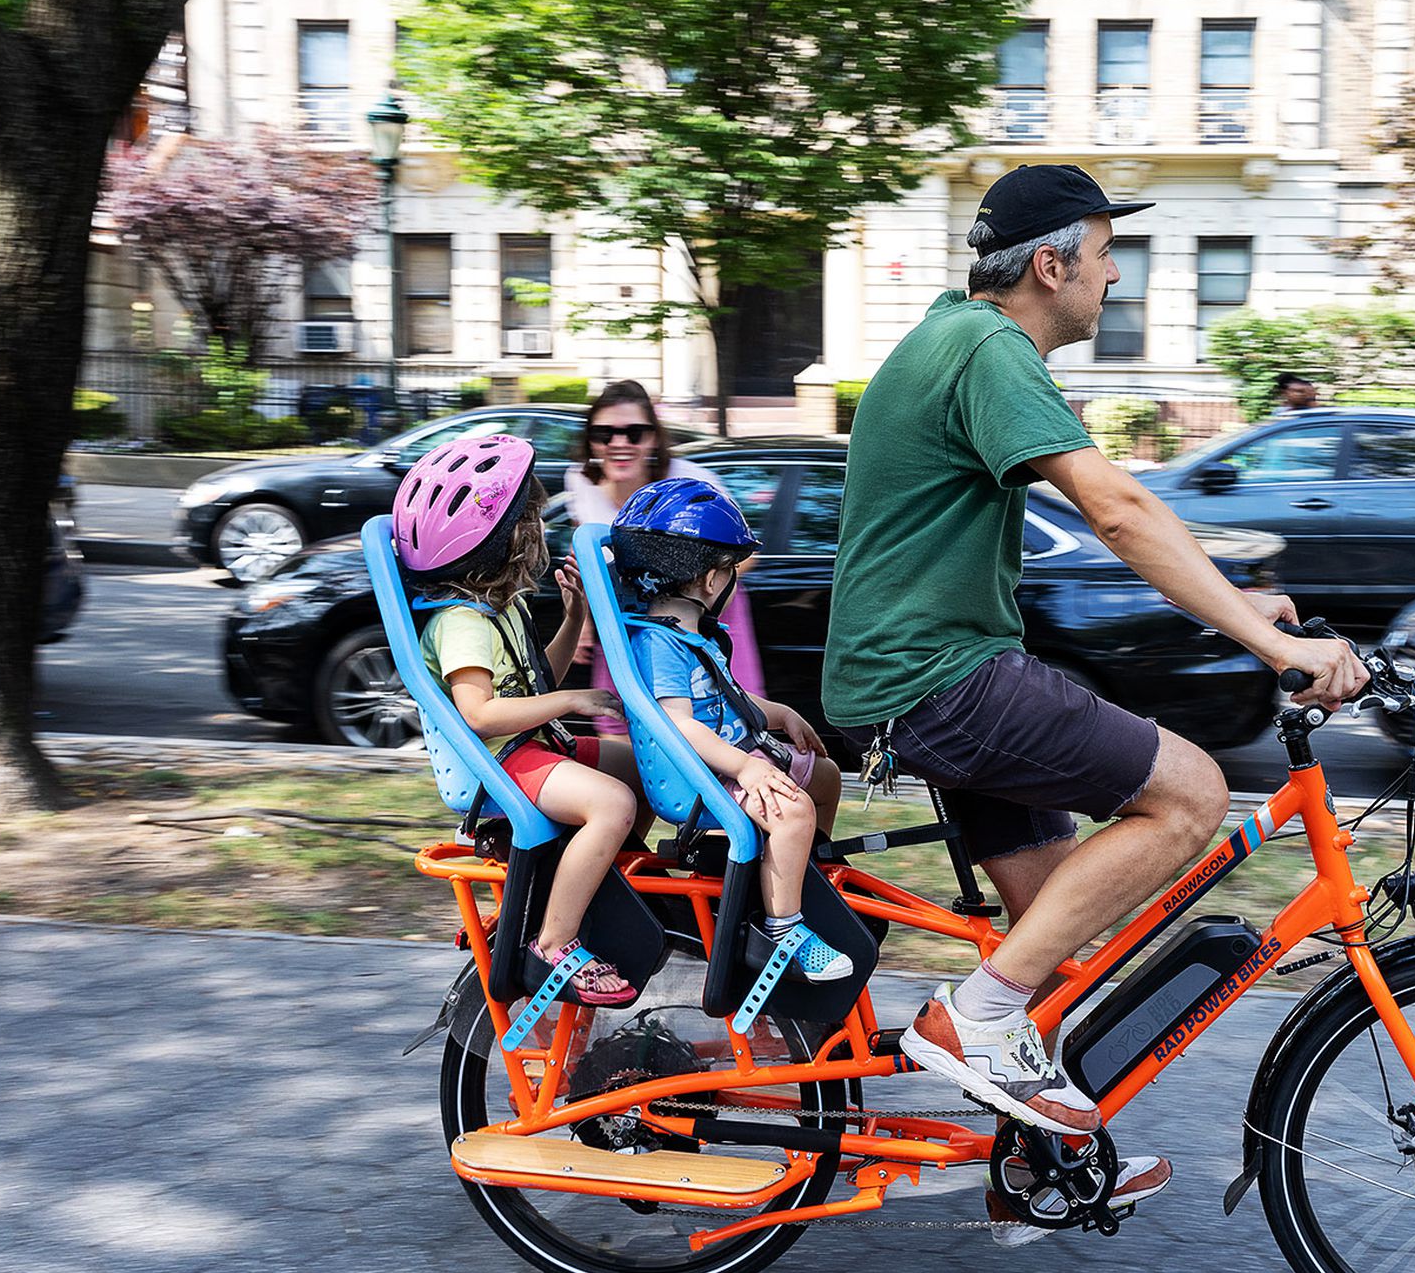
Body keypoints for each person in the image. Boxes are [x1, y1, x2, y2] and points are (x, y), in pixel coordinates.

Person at [823, 163, 1366, 1213]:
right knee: (1195, 794)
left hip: (923, 673)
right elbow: (1113, 509)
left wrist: (1247, 604)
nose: (1116, 276)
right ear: (1049, 263)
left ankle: (1040, 1160)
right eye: (1108, 252)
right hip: (935, 677)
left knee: (1053, 942)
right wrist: (1267, 642)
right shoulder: (990, 346)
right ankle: (967, 1022)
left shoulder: (957, 334)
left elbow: (1126, 518)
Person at [395, 432, 645, 1010]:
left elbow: (538, 683)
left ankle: (603, 893)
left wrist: (576, 613)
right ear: (493, 541)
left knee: (638, 769)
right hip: (502, 763)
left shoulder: (500, 608)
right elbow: (481, 715)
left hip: (528, 749)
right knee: (613, 804)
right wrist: (571, 704)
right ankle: (555, 940)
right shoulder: (461, 622)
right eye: (530, 520)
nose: (539, 531)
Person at [610, 478, 853, 982]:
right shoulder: (658, 646)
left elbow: (726, 699)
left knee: (825, 778)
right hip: (701, 781)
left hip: (732, 763)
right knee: (793, 811)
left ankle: (800, 875)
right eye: (730, 571)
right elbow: (677, 725)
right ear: (711, 580)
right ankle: (784, 928)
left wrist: (778, 713)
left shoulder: (690, 636)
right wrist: (746, 766)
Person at [563, 380, 768, 728]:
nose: (619, 443)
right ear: (591, 441)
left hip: (703, 621)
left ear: (653, 438)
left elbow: (746, 556)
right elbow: (585, 557)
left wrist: (685, 596)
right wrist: (583, 621)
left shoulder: (691, 483)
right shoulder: (580, 484)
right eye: (604, 434)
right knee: (617, 721)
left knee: (722, 722)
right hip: (627, 626)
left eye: (634, 433)